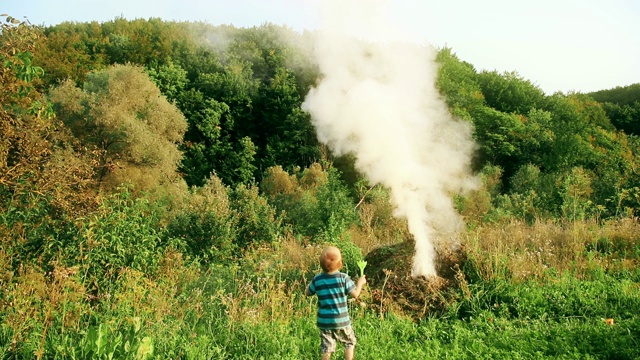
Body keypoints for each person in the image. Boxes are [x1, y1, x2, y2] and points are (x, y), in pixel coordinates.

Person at [306, 246, 367, 360]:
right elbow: (355, 294)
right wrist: (360, 282)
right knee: (349, 342)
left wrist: (312, 282)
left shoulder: (317, 279)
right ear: (341, 264)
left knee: (327, 347)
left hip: (324, 321)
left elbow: (308, 292)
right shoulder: (343, 278)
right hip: (341, 320)